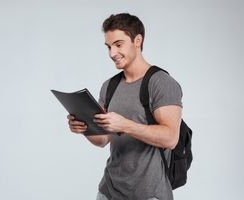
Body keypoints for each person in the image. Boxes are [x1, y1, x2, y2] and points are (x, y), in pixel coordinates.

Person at [67, 13, 183, 200]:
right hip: (108, 192)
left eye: (118, 44)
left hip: (149, 194)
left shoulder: (161, 82)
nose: (112, 53)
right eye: (109, 46)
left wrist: (125, 125)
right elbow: (103, 140)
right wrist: (84, 128)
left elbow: (170, 138)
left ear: (137, 40)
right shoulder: (109, 86)